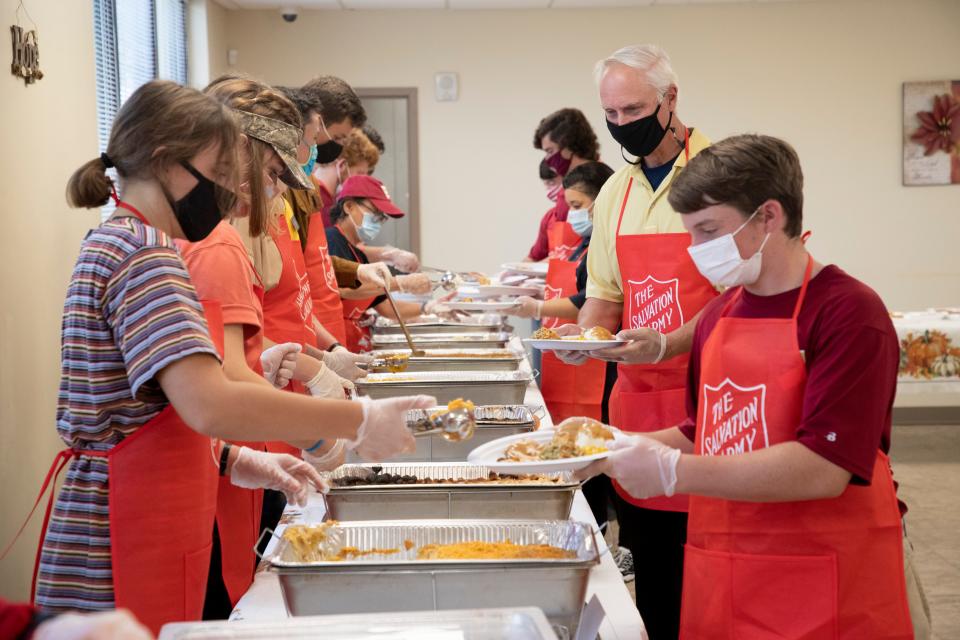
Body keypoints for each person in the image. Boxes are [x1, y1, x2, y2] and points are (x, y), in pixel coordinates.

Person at [31, 80, 431, 634]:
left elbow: (152, 403)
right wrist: (357, 420)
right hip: (121, 531)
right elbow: (209, 403)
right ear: (165, 161)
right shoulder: (145, 255)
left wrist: (241, 461)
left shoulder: (118, 239)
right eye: (217, 174)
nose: (228, 193)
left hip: (132, 505)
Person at [576, 133, 919, 639]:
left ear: (769, 217)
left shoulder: (848, 313)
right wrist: (608, 448)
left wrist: (674, 472)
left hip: (825, 585)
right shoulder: (721, 311)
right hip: (729, 572)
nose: (696, 252)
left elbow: (826, 468)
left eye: (708, 231)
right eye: (691, 233)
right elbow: (704, 429)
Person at [552, 45, 717, 639]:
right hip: (637, 405)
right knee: (651, 569)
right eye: (612, 114)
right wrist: (584, 338)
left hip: (711, 405)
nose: (623, 124)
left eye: (635, 109)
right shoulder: (616, 192)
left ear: (671, 99)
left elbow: (742, 302)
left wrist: (667, 344)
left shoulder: (718, 177)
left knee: (707, 576)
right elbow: (603, 296)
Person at [175, 76, 352, 618]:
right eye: (275, 175)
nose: (279, 191)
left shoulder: (216, 236)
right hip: (207, 461)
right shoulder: (219, 246)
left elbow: (221, 357)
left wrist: (281, 359)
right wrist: (326, 426)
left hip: (229, 454)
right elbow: (220, 380)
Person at [327, 175, 444, 352]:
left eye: (382, 218)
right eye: (375, 213)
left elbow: (386, 307)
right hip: (337, 343)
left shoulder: (358, 254)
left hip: (357, 343)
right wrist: (400, 283)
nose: (378, 221)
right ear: (349, 206)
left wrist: (428, 307)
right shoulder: (331, 241)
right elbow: (342, 291)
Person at [526, 108, 600, 262]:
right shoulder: (564, 191)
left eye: (550, 151)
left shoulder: (604, 184)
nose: (547, 160)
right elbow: (542, 254)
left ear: (568, 146)